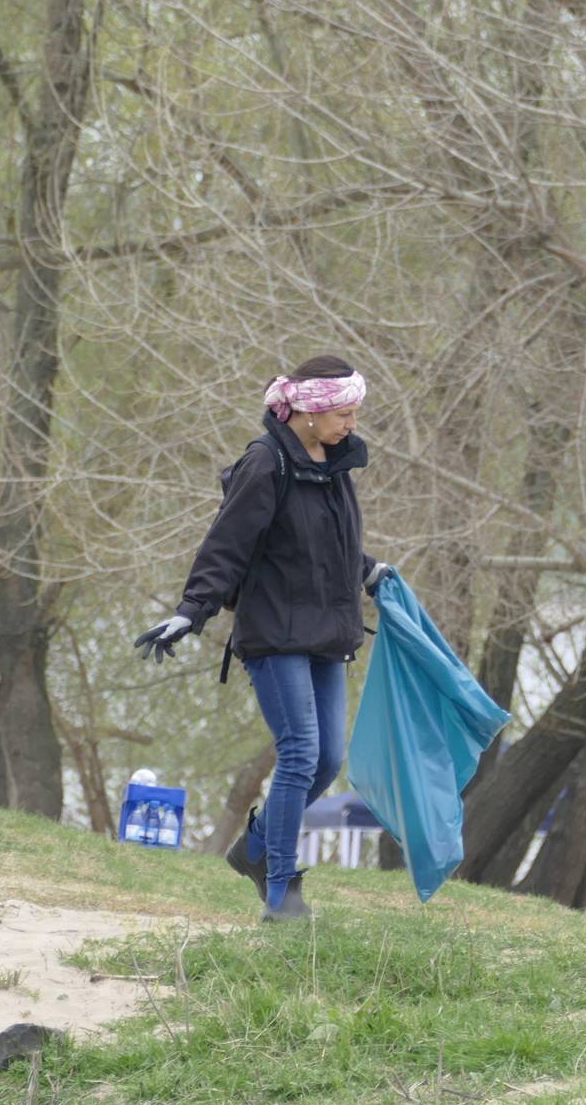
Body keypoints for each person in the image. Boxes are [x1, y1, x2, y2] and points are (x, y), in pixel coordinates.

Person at [133, 356, 393, 922]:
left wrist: (368, 570)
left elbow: (329, 544)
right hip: (274, 632)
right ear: (306, 411)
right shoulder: (265, 462)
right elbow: (227, 543)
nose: (351, 423)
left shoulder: (334, 465)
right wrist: (191, 611)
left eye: (353, 413)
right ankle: (281, 891)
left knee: (328, 758)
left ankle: (253, 848)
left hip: (326, 631)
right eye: (343, 413)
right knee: (299, 753)